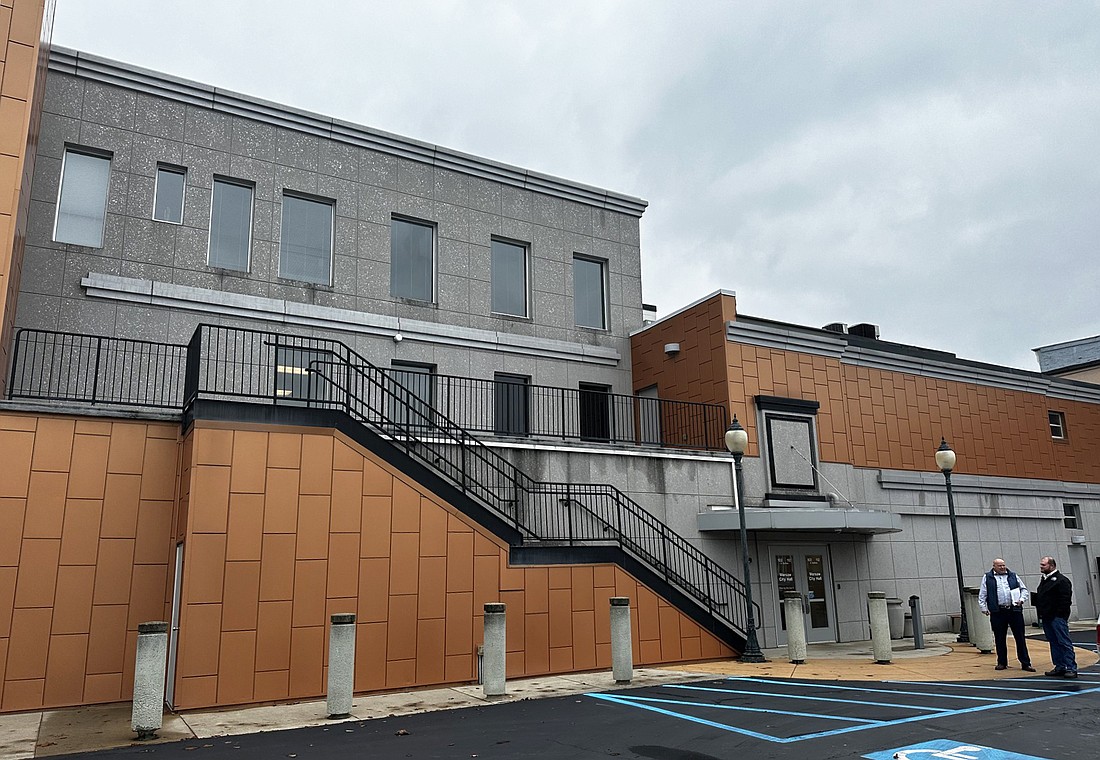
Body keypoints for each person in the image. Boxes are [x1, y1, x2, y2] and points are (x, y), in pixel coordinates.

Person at [978, 558, 1034, 671]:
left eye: (1003, 565)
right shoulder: (988, 577)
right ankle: (1002, 662)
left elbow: (1024, 590)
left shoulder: (1013, 576)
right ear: (994, 566)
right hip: (998, 611)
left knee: (1020, 637)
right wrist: (983, 608)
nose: (1002, 567)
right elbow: (983, 594)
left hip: (1014, 610)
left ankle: (1025, 663)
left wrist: (1022, 599)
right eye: (1000, 566)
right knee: (999, 638)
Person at [1033, 556, 1077, 678]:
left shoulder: (1061, 581)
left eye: (1044, 565)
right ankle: (1060, 666)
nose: (1041, 567)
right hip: (1047, 617)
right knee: (1054, 642)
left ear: (1051, 566)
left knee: (1063, 642)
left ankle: (1071, 667)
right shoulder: (1044, 579)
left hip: (1057, 617)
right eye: (1041, 565)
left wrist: (1059, 614)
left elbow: (1065, 600)